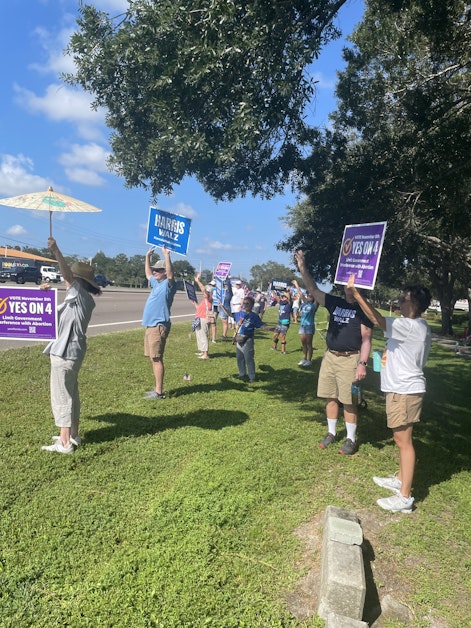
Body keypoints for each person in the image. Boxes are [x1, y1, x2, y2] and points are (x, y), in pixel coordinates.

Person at [347, 273, 432, 513]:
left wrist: (357, 294)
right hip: (401, 389)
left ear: (414, 303)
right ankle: (400, 481)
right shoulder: (418, 325)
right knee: (401, 439)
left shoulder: (409, 326)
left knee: (403, 441)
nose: (400, 301)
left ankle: (405, 498)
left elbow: (375, 318)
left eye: (404, 299)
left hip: (404, 390)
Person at [295, 250, 373, 455]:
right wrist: (303, 267)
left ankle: (350, 438)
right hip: (330, 357)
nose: (348, 285)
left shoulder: (363, 309)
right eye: (347, 282)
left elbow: (367, 339)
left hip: (351, 359)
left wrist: (362, 363)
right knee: (330, 397)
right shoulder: (335, 302)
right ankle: (331, 433)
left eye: (352, 283)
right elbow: (312, 288)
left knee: (349, 401)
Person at [41, 237, 102, 454]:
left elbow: (66, 276)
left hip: (66, 353)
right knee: (71, 393)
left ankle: (64, 442)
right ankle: (73, 433)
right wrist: (45, 295)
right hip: (71, 352)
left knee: (61, 396)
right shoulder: (79, 298)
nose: (68, 281)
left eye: (73, 279)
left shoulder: (80, 295)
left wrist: (56, 250)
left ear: (78, 281)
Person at [142, 247, 177, 399]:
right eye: (155, 269)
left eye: (158, 270)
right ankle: (157, 389)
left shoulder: (169, 285)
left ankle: (159, 392)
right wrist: (147, 257)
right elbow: (147, 273)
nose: (154, 271)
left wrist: (166, 255)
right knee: (152, 358)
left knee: (156, 358)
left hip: (159, 325)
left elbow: (170, 275)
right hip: (151, 325)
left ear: (164, 271)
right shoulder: (156, 283)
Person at [220, 295, 275, 382]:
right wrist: (222, 306)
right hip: (239, 339)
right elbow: (230, 314)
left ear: (252, 305)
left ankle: (252, 377)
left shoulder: (254, 316)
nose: (245, 305)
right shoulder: (241, 314)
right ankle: (242, 373)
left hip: (248, 339)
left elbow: (261, 326)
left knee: (248, 358)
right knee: (239, 357)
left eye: (247, 303)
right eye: (244, 303)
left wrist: (272, 329)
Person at [293, 279, 318, 367]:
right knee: (303, 343)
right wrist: (296, 284)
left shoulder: (314, 305)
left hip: (309, 325)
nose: (309, 297)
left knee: (309, 344)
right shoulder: (305, 303)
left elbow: (317, 295)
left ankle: (309, 360)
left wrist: (314, 288)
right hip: (302, 325)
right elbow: (300, 293)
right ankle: (304, 359)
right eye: (308, 296)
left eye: (311, 296)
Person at [193, 272, 213, 359]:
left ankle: (205, 354)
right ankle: (202, 351)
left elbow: (203, 289)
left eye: (206, 292)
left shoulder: (209, 299)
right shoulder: (205, 300)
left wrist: (197, 281)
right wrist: (194, 303)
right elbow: (199, 308)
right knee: (199, 335)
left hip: (204, 319)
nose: (204, 293)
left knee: (204, 335)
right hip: (199, 318)